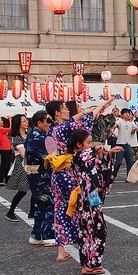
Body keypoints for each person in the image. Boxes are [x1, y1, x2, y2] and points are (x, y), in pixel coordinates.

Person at [46, 98, 113, 262]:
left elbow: (73, 121)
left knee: (61, 209)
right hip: (71, 172)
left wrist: (96, 108)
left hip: (57, 175)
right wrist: (96, 108)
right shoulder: (65, 130)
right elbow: (82, 121)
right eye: (65, 108)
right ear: (57, 112)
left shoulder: (53, 130)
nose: (68, 111)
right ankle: (90, 241)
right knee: (87, 204)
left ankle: (61, 249)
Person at [67, 129, 121, 275]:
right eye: (88, 143)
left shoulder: (87, 157)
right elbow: (86, 155)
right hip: (86, 196)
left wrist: (109, 154)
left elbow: (102, 167)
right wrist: (96, 148)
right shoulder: (78, 157)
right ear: (79, 145)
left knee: (87, 231)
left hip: (90, 195)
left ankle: (88, 263)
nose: (91, 145)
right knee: (97, 230)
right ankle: (91, 263)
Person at [24, 111, 56, 248]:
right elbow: (52, 153)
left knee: (40, 206)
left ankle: (36, 235)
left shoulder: (36, 135)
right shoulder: (37, 138)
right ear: (39, 123)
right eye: (47, 122)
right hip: (40, 175)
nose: (49, 124)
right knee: (48, 203)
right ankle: (47, 235)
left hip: (37, 174)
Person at [5, 114, 31, 223]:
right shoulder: (17, 138)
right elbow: (23, 154)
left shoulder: (29, 134)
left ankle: (33, 212)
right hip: (22, 165)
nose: (26, 122)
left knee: (33, 188)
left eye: (26, 120)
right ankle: (10, 212)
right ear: (18, 124)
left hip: (30, 163)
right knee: (22, 190)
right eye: (24, 121)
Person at [113, 108, 138, 178]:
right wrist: (112, 126)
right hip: (120, 145)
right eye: (126, 113)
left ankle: (128, 176)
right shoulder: (120, 121)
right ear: (122, 114)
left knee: (130, 162)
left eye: (129, 113)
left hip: (128, 145)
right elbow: (115, 126)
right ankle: (113, 176)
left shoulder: (131, 123)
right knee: (118, 162)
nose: (128, 115)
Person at [0, 117, 12, 186]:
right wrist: (10, 120)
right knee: (4, 165)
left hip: (6, 148)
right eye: (1, 120)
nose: (2, 121)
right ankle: (0, 180)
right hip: (4, 149)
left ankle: (6, 179)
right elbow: (10, 129)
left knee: (7, 165)